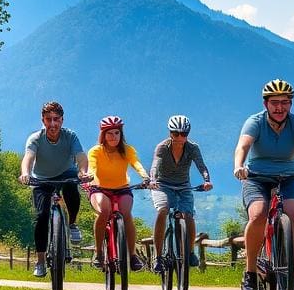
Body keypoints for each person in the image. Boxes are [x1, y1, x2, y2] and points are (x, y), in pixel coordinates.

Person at [233, 78, 294, 290]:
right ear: (266, 103)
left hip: (288, 177)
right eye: (275, 102)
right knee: (258, 214)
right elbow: (243, 145)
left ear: (291, 104)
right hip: (256, 177)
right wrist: (239, 166)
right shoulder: (255, 122)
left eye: (285, 102)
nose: (280, 107)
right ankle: (249, 271)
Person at [19, 101, 89, 278]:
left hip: (66, 173)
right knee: (41, 216)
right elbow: (28, 157)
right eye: (48, 119)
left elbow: (81, 157)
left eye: (56, 119)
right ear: (43, 120)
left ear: (62, 120)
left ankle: (72, 224)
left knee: (72, 186)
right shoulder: (35, 138)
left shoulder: (70, 136)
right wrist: (25, 174)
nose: (52, 124)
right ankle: (41, 261)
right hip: (42, 179)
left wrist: (83, 172)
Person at [86, 115, 150, 272]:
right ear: (103, 135)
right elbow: (92, 167)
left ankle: (133, 256)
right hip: (99, 188)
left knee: (126, 213)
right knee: (104, 211)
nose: (113, 137)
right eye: (109, 133)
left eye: (116, 133)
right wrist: (90, 175)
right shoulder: (96, 151)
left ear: (121, 134)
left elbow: (136, 163)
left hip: (122, 188)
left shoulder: (127, 150)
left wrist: (145, 176)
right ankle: (99, 252)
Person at [150, 115, 213, 272]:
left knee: (189, 215)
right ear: (170, 133)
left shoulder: (192, 148)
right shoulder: (162, 147)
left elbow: (202, 166)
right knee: (162, 210)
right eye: (175, 133)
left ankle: (190, 252)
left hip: (184, 186)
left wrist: (207, 180)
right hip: (162, 184)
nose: (179, 137)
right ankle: (158, 257)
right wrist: (152, 180)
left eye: (183, 134)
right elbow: (155, 166)